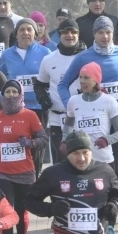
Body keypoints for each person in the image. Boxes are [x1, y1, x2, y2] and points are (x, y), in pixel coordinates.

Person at [58, 16, 118, 182]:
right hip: (93, 117)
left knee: (115, 167)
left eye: (108, 32)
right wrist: (73, 106)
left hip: (116, 114)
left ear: (114, 33)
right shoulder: (83, 57)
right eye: (101, 32)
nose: (105, 36)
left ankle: (115, 199)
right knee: (93, 167)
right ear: (94, 34)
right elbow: (63, 84)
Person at [0, 80, 48, 234]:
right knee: (6, 212)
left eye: (14, 91)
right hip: (1, 172)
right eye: (7, 92)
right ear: (2, 95)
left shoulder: (29, 115)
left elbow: (43, 139)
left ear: (20, 94)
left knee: (21, 212)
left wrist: (30, 143)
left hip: (25, 173)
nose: (11, 95)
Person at [63, 63, 118, 234]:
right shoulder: (74, 101)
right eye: (80, 77)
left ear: (96, 79)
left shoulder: (108, 101)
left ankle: (110, 227)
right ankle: (80, 228)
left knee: (108, 196)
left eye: (86, 77)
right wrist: (65, 140)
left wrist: (107, 140)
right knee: (82, 194)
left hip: (104, 158)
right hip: (81, 159)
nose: (82, 81)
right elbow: (67, 125)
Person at [0, 17, 51, 178]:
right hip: (17, 109)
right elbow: (1, 80)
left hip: (39, 108)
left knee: (37, 147)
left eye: (29, 30)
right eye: (22, 30)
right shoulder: (6, 55)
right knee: (19, 145)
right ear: (16, 33)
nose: (26, 33)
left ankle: (36, 178)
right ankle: (19, 178)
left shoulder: (45, 53)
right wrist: (2, 101)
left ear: (35, 33)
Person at [34, 18, 88, 163]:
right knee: (60, 161)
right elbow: (39, 85)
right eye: (65, 32)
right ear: (59, 34)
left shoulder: (87, 57)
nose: (69, 35)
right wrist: (43, 98)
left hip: (83, 117)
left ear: (78, 34)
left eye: (73, 32)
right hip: (58, 117)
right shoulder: (49, 59)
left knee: (82, 160)